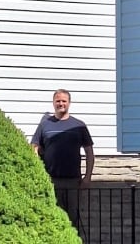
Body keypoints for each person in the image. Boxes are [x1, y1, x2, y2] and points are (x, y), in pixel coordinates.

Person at [31, 89, 95, 229]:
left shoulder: (79, 125)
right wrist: (39, 174)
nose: (61, 103)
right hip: (50, 181)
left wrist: (87, 177)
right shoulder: (44, 125)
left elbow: (89, 152)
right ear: (53, 103)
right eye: (58, 101)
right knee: (51, 219)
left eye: (64, 101)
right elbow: (34, 147)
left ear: (69, 103)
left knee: (72, 220)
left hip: (73, 181)